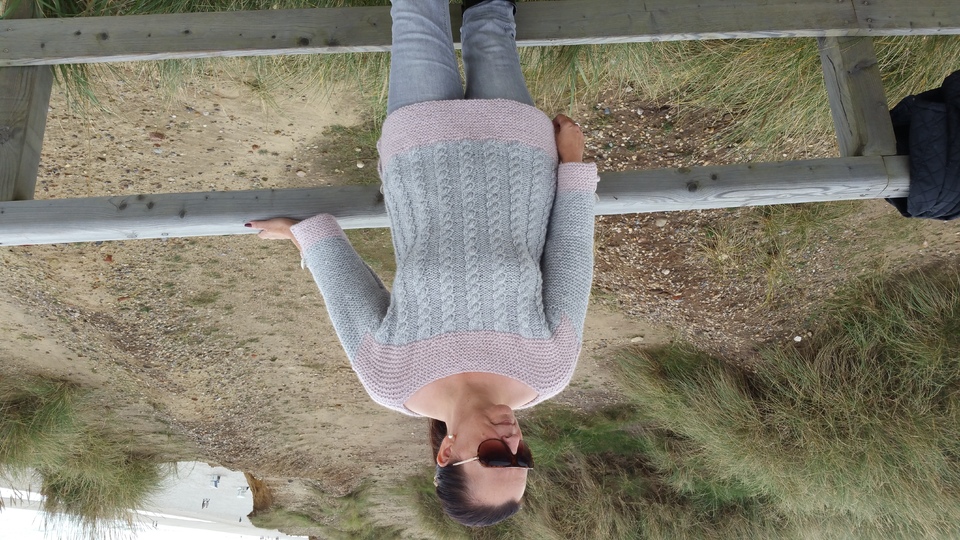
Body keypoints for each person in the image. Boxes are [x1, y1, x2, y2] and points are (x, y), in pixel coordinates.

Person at [247, 0, 598, 527]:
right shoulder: (548, 371)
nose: (512, 442)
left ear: (447, 452)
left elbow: (346, 291)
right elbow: (571, 257)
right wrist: (573, 166)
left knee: (415, 12)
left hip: (420, 151)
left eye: (495, 457)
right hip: (518, 156)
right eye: (522, 458)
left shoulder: (391, 380)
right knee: (491, 24)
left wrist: (304, 234)